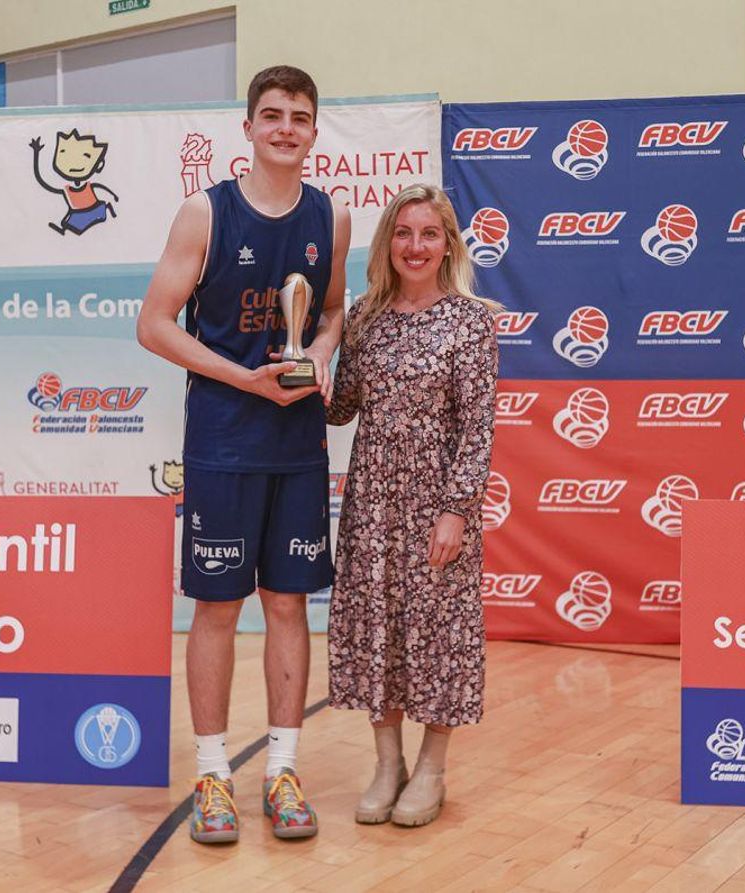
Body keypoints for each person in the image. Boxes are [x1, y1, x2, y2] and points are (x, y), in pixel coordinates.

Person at [136, 65, 351, 843]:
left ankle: (283, 770)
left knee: (290, 603)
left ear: (314, 130)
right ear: (249, 129)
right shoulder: (206, 213)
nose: (286, 127)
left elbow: (330, 313)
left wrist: (320, 352)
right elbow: (155, 324)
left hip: (296, 441)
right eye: (272, 115)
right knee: (219, 607)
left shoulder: (331, 216)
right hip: (225, 438)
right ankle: (212, 775)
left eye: (300, 116)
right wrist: (245, 380)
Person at [326, 184, 499, 827]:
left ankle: (432, 767)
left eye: (429, 234)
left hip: (437, 504)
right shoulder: (366, 315)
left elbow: (477, 425)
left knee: (438, 635)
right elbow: (342, 405)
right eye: (404, 234)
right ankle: (386, 763)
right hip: (372, 499)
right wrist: (297, 363)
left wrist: (457, 509)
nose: (415, 246)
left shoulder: (471, 319)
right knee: (379, 630)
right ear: (387, 244)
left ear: (448, 244)